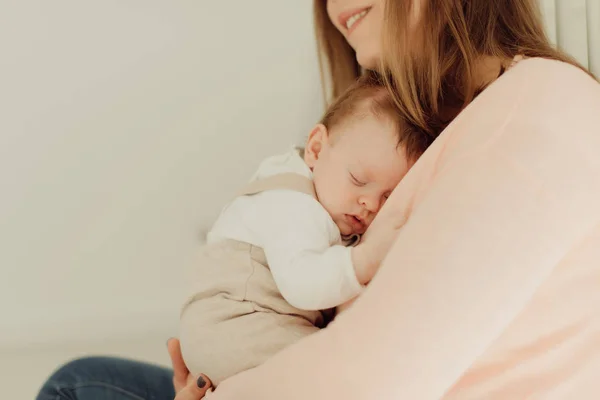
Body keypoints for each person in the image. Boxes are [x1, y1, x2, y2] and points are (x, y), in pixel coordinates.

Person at [37, 0, 600, 399]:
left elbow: (367, 381)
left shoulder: (535, 110)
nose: (333, 8)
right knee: (80, 379)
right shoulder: (456, 129)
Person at [179, 76, 418, 385]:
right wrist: (365, 260)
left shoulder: (319, 192)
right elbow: (303, 285)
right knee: (334, 376)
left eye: (388, 197)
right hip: (236, 323)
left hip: (226, 332)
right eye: (359, 179)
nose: (370, 203)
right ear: (316, 149)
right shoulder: (294, 205)